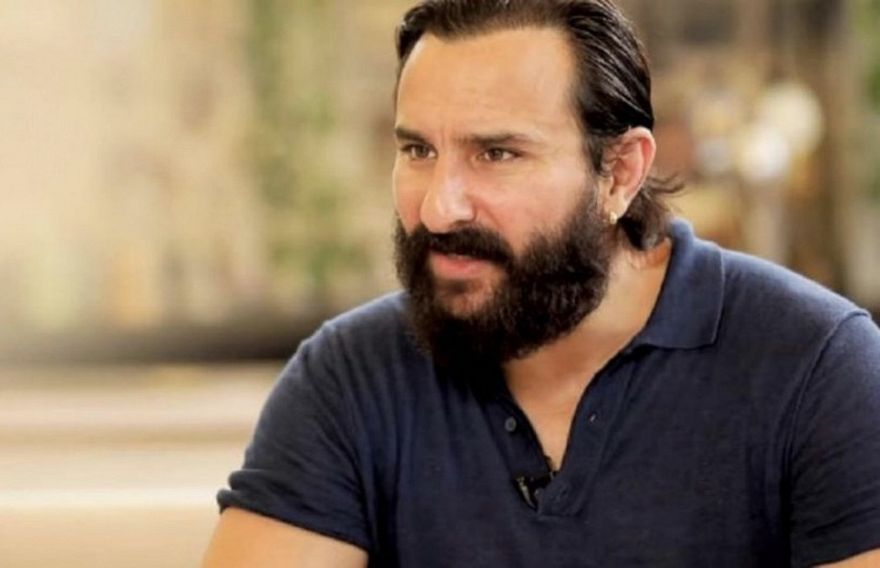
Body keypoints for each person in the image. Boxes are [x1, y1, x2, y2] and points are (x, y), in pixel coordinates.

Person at [202, 1, 880, 566]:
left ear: (619, 173)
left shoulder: (816, 367)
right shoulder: (350, 376)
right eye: (418, 150)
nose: (439, 208)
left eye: (497, 153)